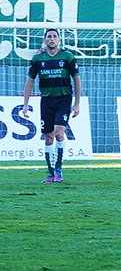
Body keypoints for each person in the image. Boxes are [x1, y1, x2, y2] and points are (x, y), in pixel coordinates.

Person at [22, 29, 82, 183]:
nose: (52, 39)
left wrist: (77, 103)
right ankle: (50, 174)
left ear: (59, 40)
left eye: (55, 36)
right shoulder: (37, 59)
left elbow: (77, 79)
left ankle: (58, 168)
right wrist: (26, 104)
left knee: (59, 132)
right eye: (49, 36)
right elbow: (30, 81)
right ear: (45, 40)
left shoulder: (67, 57)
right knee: (48, 137)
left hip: (63, 99)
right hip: (47, 101)